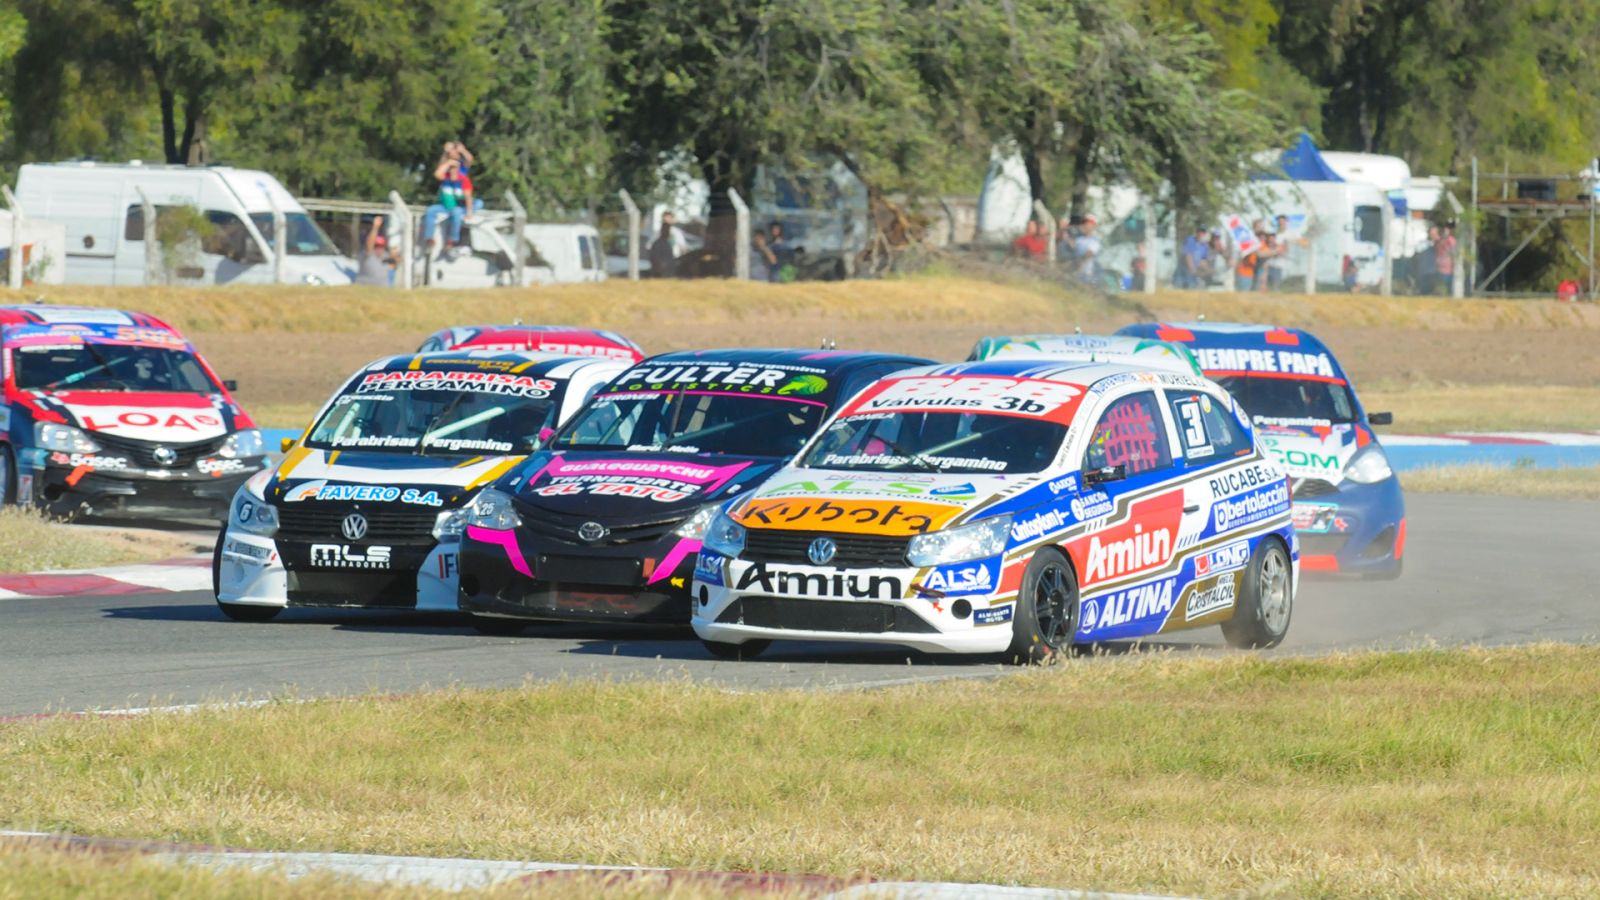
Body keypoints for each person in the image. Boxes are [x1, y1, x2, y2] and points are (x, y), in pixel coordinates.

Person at [421, 157, 467, 257]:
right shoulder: (445, 178)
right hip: (445, 207)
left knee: (457, 213)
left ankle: (452, 240)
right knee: (431, 210)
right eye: (450, 168)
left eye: (454, 168)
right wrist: (449, 162)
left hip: (457, 208)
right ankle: (429, 238)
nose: (452, 170)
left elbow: (469, 160)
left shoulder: (462, 179)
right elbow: (437, 173)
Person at [355, 215, 391, 286]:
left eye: (381, 246)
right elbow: (370, 244)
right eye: (376, 246)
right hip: (365, 290)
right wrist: (375, 227)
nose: (379, 248)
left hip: (383, 293)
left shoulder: (386, 256)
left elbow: (397, 262)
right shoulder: (366, 255)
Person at [648, 211, 685, 278]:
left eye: (668, 219)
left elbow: (683, 247)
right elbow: (649, 247)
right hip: (660, 264)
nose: (666, 221)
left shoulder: (676, 233)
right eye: (665, 220)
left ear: (672, 220)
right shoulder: (657, 233)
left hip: (673, 262)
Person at [1073, 215, 1102, 283]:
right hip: (1077, 273)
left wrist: (1079, 262)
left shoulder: (1096, 240)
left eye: (1087, 224)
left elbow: (1090, 253)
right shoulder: (1079, 239)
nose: (1084, 225)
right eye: (1083, 223)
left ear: (1093, 226)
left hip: (1088, 275)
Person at [1433, 223, 1457, 295]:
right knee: (1440, 284)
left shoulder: (1451, 240)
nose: (1444, 232)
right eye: (1443, 230)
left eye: (1446, 230)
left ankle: (1446, 295)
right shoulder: (1439, 240)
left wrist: (1454, 265)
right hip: (1439, 267)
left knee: (1446, 284)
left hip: (1448, 268)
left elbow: (1453, 252)